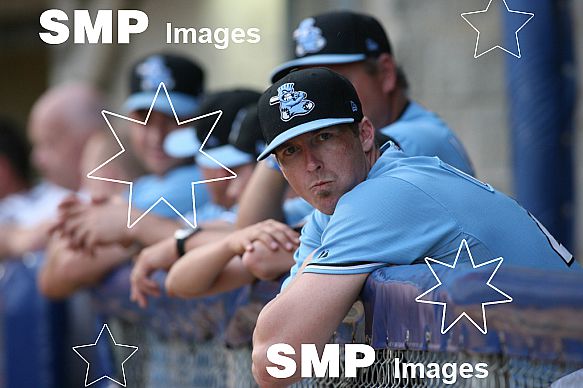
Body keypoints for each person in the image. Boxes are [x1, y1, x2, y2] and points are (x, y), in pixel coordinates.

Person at [250, 68, 576, 386]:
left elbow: (274, 360)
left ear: (364, 134)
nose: (311, 163)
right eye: (291, 151)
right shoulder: (328, 213)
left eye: (324, 137)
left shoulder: (384, 196)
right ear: (279, 166)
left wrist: (316, 279)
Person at [130, 92, 297, 307]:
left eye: (234, 168)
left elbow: (258, 250)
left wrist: (182, 243)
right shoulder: (227, 211)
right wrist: (221, 242)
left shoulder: (303, 211)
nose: (232, 187)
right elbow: (177, 283)